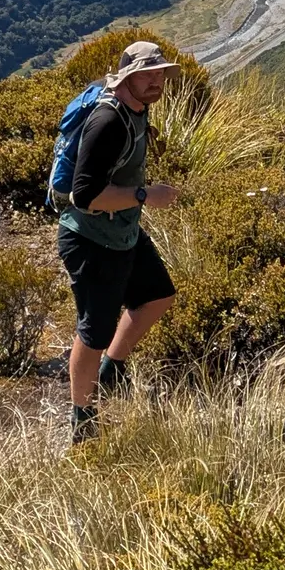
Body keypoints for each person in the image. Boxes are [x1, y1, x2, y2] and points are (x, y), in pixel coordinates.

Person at [60, 39, 182, 442]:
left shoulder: (137, 109)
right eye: (146, 74)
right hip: (92, 239)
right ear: (126, 78)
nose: (156, 81)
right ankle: (83, 419)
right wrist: (146, 195)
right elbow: (85, 196)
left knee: (158, 295)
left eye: (160, 73)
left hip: (122, 231)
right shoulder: (108, 121)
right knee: (93, 330)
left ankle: (112, 371)